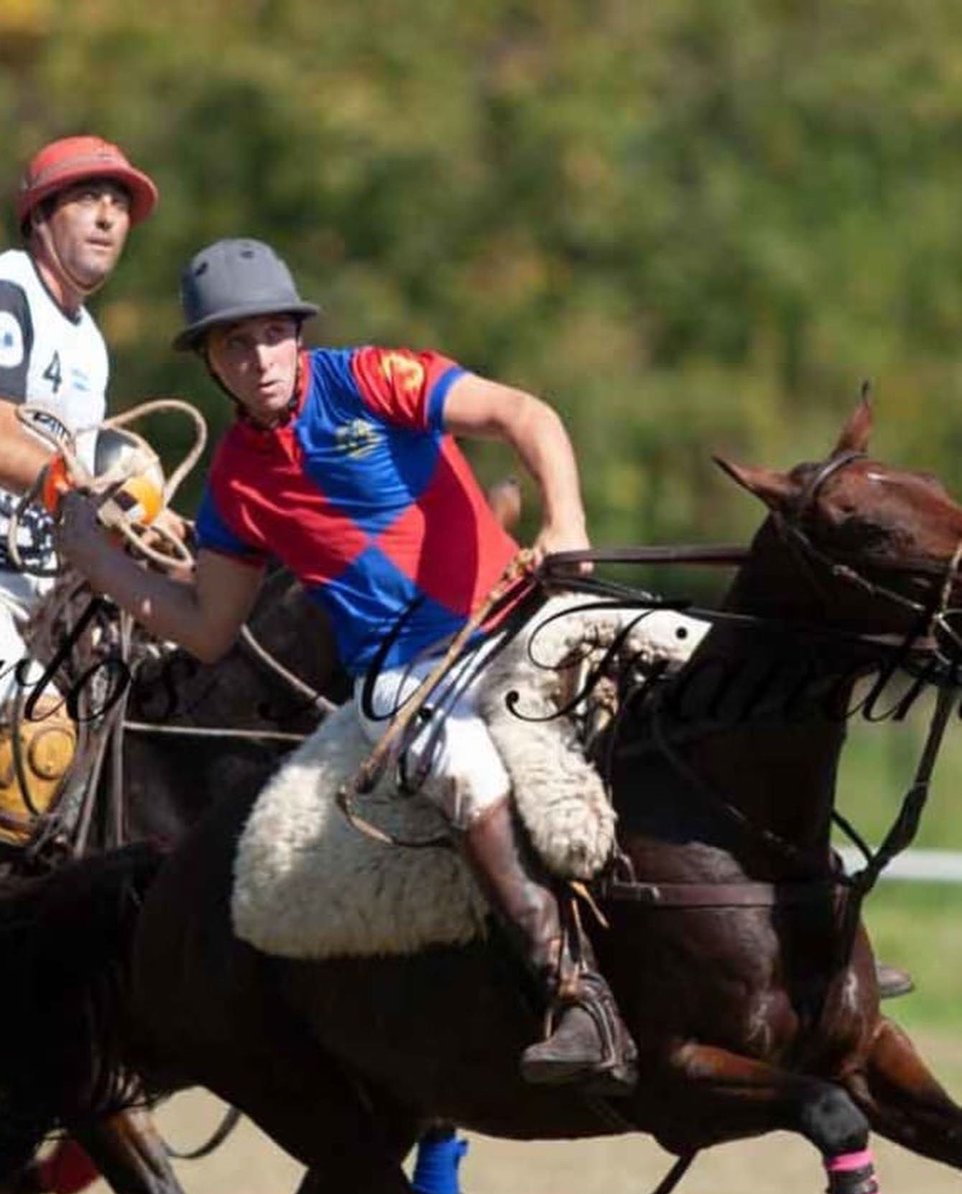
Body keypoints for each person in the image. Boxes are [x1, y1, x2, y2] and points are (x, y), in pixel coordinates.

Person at [56, 236, 639, 1095]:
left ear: (299, 332)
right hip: (403, 676)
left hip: (513, 613)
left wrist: (567, 521)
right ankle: (573, 991)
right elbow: (208, 628)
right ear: (211, 363)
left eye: (272, 335)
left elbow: (525, 414)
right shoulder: (235, 484)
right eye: (234, 344)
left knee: (667, 653)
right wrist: (99, 562)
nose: (259, 359)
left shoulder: (372, 378)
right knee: (462, 766)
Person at [0, 134, 158, 833]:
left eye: (118, 206)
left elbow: (88, 483)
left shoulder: (91, 341)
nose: (107, 217)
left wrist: (154, 522)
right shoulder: (10, 288)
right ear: (40, 217)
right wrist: (80, 489)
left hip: (42, 593)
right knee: (36, 740)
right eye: (88, 199)